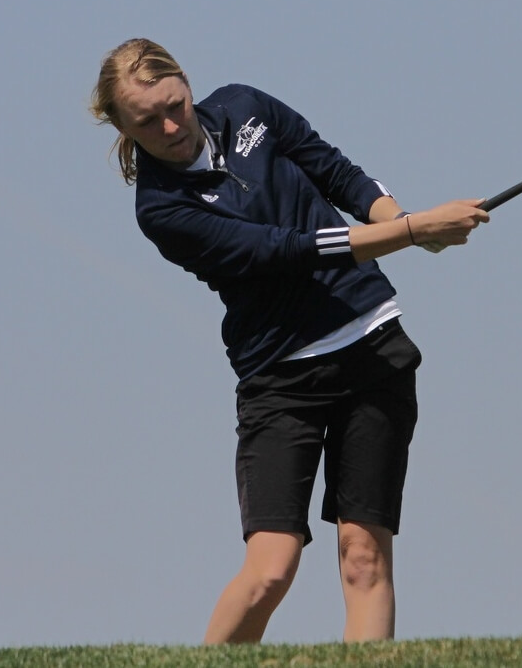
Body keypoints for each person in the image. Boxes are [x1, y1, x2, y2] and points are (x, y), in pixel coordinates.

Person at [89, 38, 489, 644]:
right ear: (121, 125)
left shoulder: (246, 105)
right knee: (270, 571)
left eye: (176, 104)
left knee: (364, 557)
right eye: (148, 120)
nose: (171, 125)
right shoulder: (161, 209)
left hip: (372, 343)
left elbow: (332, 169)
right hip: (281, 379)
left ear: (188, 85)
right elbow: (284, 251)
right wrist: (412, 232)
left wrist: (400, 219)